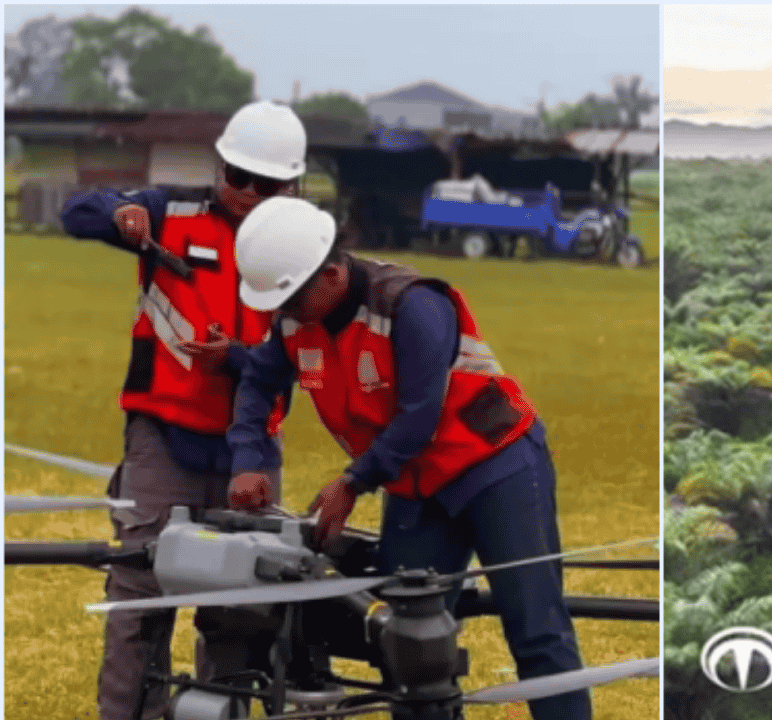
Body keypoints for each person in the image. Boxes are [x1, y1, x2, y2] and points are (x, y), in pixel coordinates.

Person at [226, 196, 592, 720]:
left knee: (537, 632)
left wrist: (352, 482)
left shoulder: (412, 305)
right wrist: (248, 458)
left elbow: (420, 414)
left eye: (289, 301)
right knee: (408, 647)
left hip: (497, 467)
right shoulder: (294, 324)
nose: (281, 316)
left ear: (330, 277)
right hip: (415, 486)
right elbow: (259, 381)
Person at [59, 100, 306, 720]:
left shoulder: (305, 246)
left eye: (266, 184)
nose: (247, 194)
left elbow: (304, 357)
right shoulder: (172, 212)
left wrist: (240, 361)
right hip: (161, 438)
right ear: (218, 167)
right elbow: (75, 212)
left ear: (294, 186)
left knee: (240, 612)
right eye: (236, 177)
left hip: (249, 451)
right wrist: (120, 214)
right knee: (139, 605)